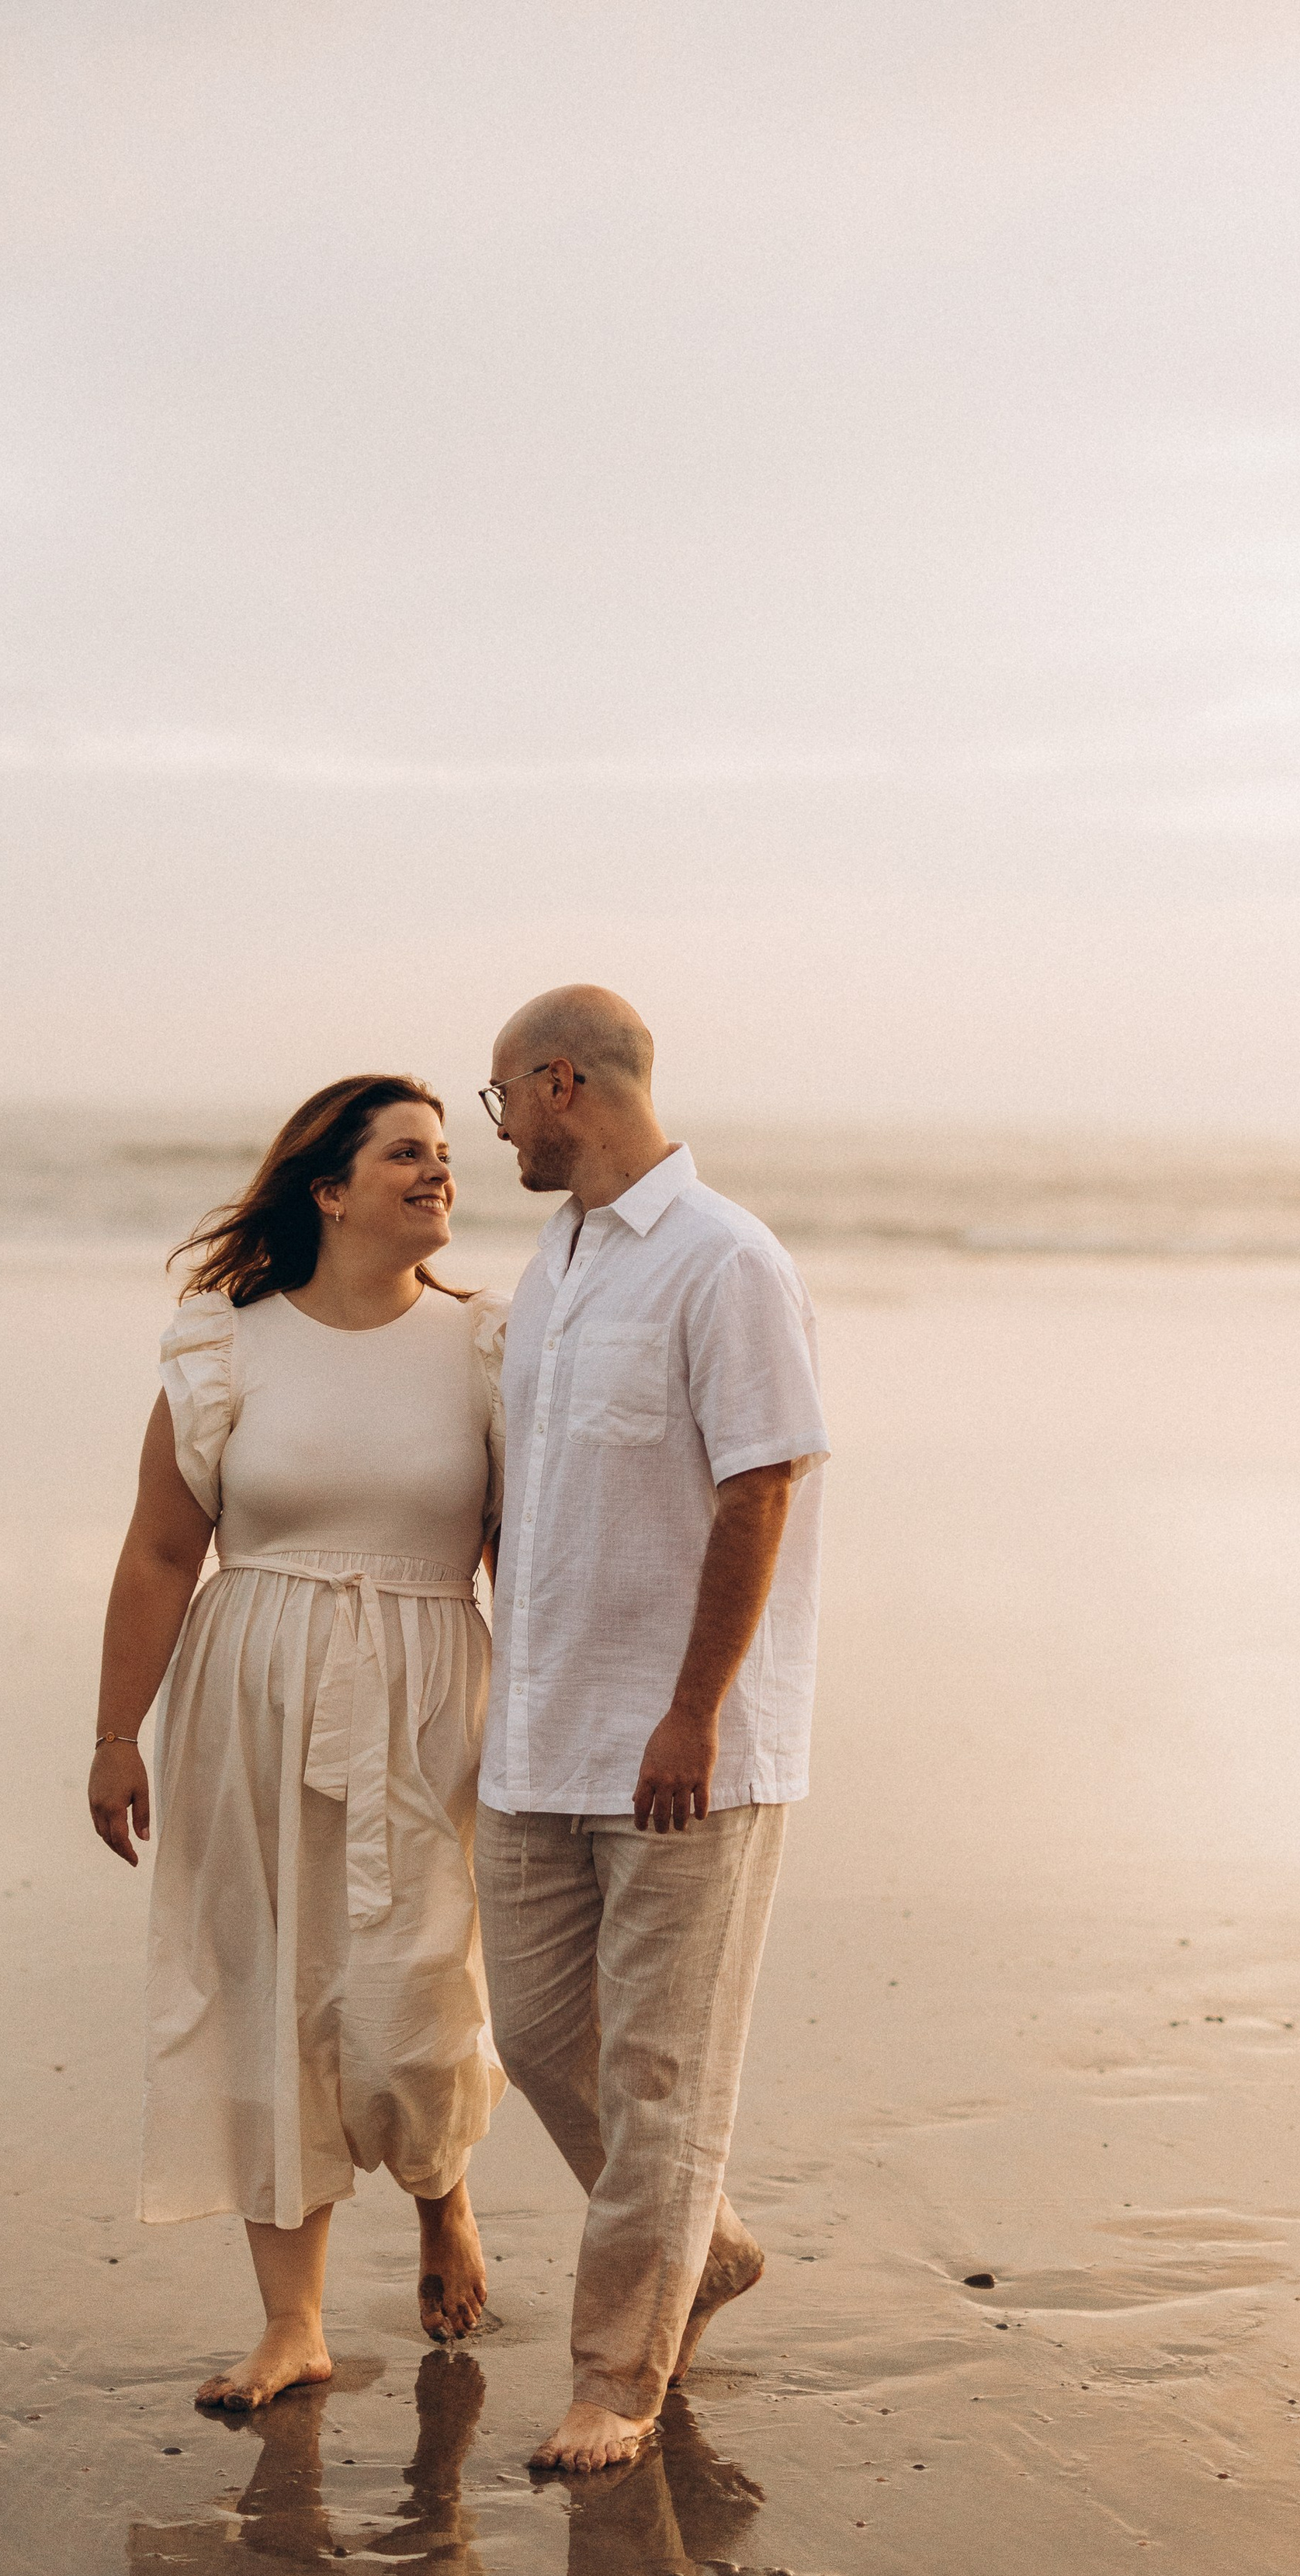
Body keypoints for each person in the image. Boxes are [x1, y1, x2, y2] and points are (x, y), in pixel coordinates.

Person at [88, 1077, 509, 2409]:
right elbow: (163, 1548)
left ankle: (443, 2195)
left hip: (433, 1695)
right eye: (407, 1154)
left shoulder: (491, 1346)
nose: (439, 1173)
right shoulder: (226, 1348)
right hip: (253, 1692)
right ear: (329, 1189)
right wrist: (116, 1733)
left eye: (446, 1154)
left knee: (415, 1996)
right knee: (274, 1987)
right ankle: (294, 2323)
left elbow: (528, 1557)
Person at [473, 984, 830, 2474]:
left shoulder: (725, 1261)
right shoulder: (553, 1264)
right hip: (537, 1734)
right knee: (547, 2035)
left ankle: (619, 2377)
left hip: (687, 1745)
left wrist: (694, 1709)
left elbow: (763, 1485)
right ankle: (710, 2242)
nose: (498, 1133)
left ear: (561, 1083)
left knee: (663, 2071)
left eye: (501, 1103)